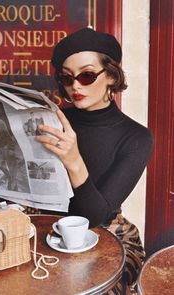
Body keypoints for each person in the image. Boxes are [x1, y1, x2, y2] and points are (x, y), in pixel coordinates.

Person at [35, 28, 154, 294]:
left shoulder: (136, 137)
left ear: (111, 76)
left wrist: (74, 161)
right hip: (47, 230)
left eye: (86, 75)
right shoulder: (51, 121)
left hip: (108, 235)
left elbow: (93, 217)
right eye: (67, 78)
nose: (75, 85)